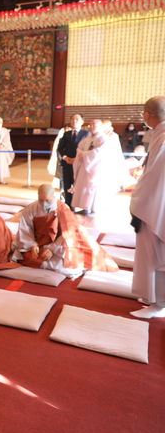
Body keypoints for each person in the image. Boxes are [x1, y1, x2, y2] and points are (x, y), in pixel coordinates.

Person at [14, 184, 117, 278]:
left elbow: (68, 233)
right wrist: (32, 245)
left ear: (54, 197)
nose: (44, 204)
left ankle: (50, 263)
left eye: (48, 201)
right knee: (26, 257)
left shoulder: (62, 208)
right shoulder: (31, 209)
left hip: (59, 246)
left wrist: (52, 249)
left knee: (69, 265)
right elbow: (25, 229)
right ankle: (45, 262)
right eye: (41, 201)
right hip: (39, 243)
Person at [130, 96, 165, 318]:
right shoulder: (159, 134)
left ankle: (159, 303)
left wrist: (136, 199)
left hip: (156, 205)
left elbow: (154, 177)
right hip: (156, 202)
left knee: (156, 254)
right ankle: (152, 295)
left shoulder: (162, 138)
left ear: (147, 115)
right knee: (152, 253)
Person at [71, 119, 124, 215]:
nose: (91, 127)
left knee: (92, 188)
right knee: (84, 187)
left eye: (93, 125)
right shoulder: (87, 138)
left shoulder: (103, 138)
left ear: (100, 127)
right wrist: (81, 153)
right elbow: (79, 148)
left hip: (96, 168)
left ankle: (92, 208)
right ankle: (85, 207)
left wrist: (85, 154)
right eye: (90, 125)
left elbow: (100, 152)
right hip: (85, 167)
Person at [57, 113, 89, 209]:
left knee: (79, 185)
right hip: (67, 163)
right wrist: (65, 157)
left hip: (80, 164)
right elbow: (60, 148)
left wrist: (77, 159)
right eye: (72, 119)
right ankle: (69, 205)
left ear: (82, 122)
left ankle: (81, 205)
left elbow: (87, 149)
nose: (74, 121)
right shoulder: (66, 134)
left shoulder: (86, 134)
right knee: (67, 183)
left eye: (77, 119)